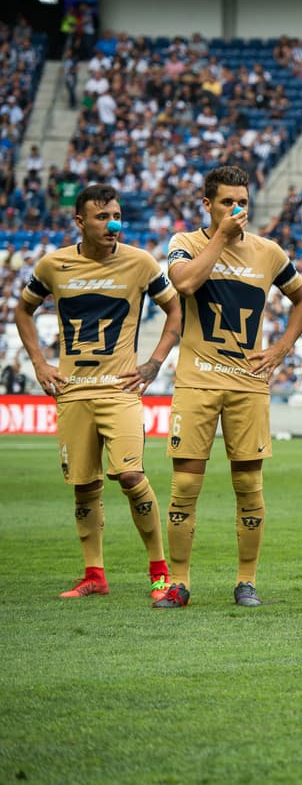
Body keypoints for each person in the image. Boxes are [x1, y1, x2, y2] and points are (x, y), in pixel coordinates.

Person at [153, 166, 302, 609]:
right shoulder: (183, 244)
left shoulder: (269, 252)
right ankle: (180, 583)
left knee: (249, 487)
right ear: (207, 205)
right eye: (227, 202)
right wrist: (220, 237)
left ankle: (246, 582)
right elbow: (184, 284)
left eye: (242, 202)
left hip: (248, 385)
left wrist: (282, 347)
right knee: (185, 486)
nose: (237, 210)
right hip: (196, 382)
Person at [16, 184, 182, 599]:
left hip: (119, 389)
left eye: (116, 215)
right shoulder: (54, 266)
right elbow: (23, 309)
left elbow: (175, 308)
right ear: (80, 222)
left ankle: (160, 572)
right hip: (72, 391)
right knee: (84, 485)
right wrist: (39, 362)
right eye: (103, 217)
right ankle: (95, 575)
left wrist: (154, 362)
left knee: (129, 473)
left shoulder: (140, 263)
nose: (113, 224)